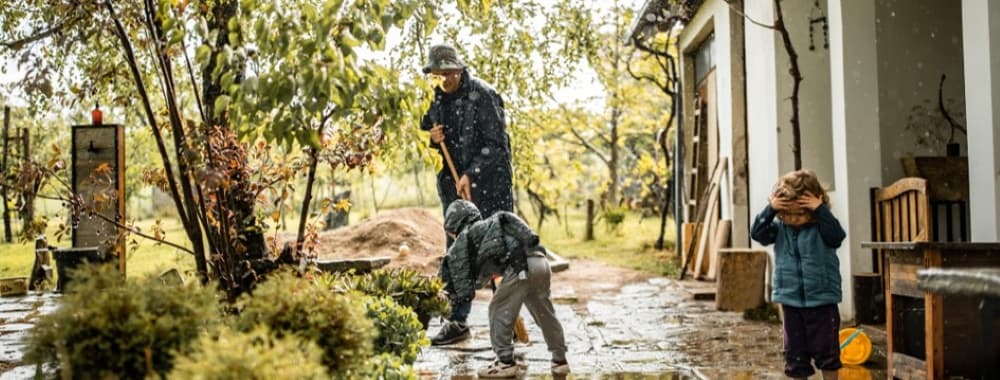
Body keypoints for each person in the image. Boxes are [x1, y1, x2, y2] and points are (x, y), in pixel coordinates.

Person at [420, 43, 515, 346]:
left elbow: (496, 147)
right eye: (438, 74)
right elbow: (427, 124)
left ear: (459, 69)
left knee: (496, 252)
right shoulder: (436, 97)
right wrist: (434, 137)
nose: (444, 79)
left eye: (448, 72)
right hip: (455, 189)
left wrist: (470, 174)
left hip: (490, 187)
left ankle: (507, 318)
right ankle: (458, 321)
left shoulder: (484, 96)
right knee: (458, 252)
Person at [439, 199, 569, 378]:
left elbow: (458, 268)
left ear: (454, 225)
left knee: (497, 309)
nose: (453, 237)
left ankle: (505, 362)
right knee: (544, 312)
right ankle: (559, 360)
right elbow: (490, 263)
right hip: (540, 261)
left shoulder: (466, 235)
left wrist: (452, 293)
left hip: (520, 267)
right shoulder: (489, 228)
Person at [750, 169, 846, 380]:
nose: (794, 219)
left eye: (800, 213)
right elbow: (757, 233)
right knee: (795, 356)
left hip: (823, 300)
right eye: (788, 214)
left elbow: (837, 237)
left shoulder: (823, 227)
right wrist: (770, 210)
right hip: (791, 301)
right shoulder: (779, 229)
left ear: (813, 208)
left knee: (827, 352)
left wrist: (821, 210)